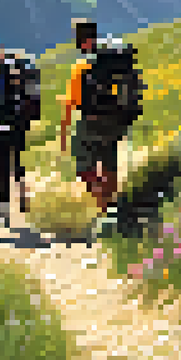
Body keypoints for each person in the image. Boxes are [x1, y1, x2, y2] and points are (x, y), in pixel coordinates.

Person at [60, 18, 143, 217]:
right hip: (116, 121)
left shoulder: (83, 66)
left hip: (91, 121)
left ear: (80, 39)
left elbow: (71, 103)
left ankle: (104, 208)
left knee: (84, 167)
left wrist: (63, 133)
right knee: (108, 162)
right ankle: (112, 206)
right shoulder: (115, 58)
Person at [0, 36, 30, 228]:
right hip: (18, 122)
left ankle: (4, 210)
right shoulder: (15, 68)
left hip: (0, 124)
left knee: (1, 165)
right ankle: (22, 191)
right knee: (17, 159)